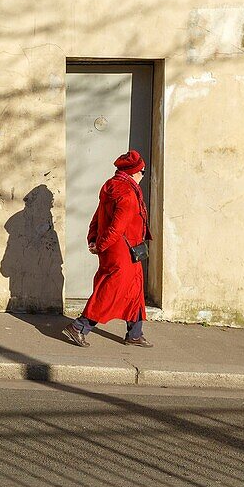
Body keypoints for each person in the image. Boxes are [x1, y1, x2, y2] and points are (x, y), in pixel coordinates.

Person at [62, 149, 153, 348]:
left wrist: (93, 238)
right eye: (142, 171)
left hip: (121, 249)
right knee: (111, 291)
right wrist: (100, 244)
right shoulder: (128, 193)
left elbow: (99, 215)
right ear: (133, 172)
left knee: (135, 289)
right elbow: (117, 226)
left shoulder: (112, 186)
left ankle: (135, 333)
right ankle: (79, 326)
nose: (143, 175)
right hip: (122, 252)